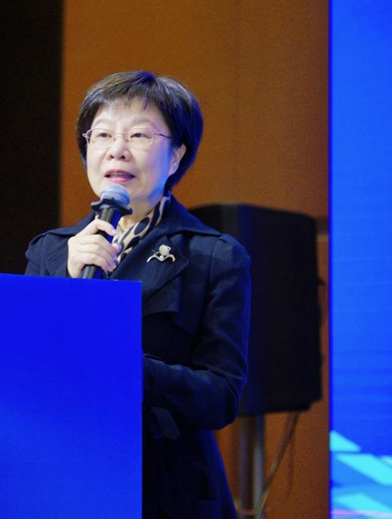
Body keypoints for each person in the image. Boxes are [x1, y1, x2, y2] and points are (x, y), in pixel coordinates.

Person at [25, 71, 250, 518]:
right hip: (62, 476)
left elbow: (222, 395)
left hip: (162, 486)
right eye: (102, 134)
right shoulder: (51, 251)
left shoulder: (213, 256)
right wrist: (68, 282)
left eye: (139, 135)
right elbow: (26, 366)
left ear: (176, 155)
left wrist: (131, 370)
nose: (117, 149)